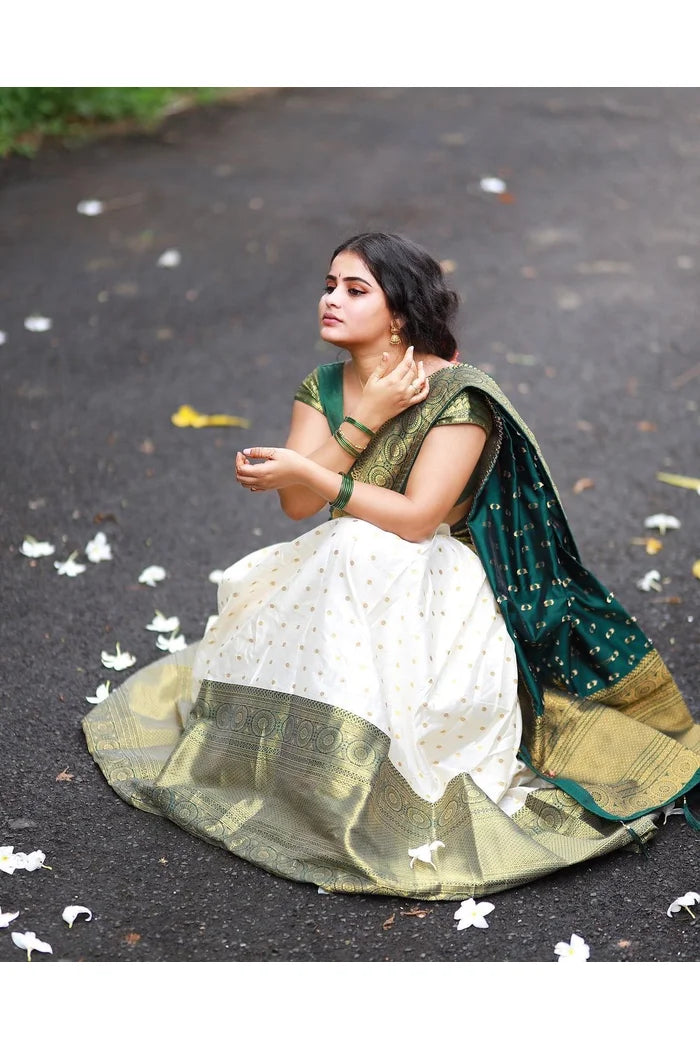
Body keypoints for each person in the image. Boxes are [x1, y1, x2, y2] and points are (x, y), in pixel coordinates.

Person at [84, 232, 699, 900]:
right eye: (328, 285)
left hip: (437, 583)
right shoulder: (322, 387)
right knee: (343, 546)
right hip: (346, 570)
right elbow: (294, 502)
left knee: (352, 544)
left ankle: (360, 778)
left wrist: (324, 463)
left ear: (399, 312)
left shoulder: (458, 396)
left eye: (355, 290)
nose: (331, 300)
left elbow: (415, 516)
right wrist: (365, 415)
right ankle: (302, 767)